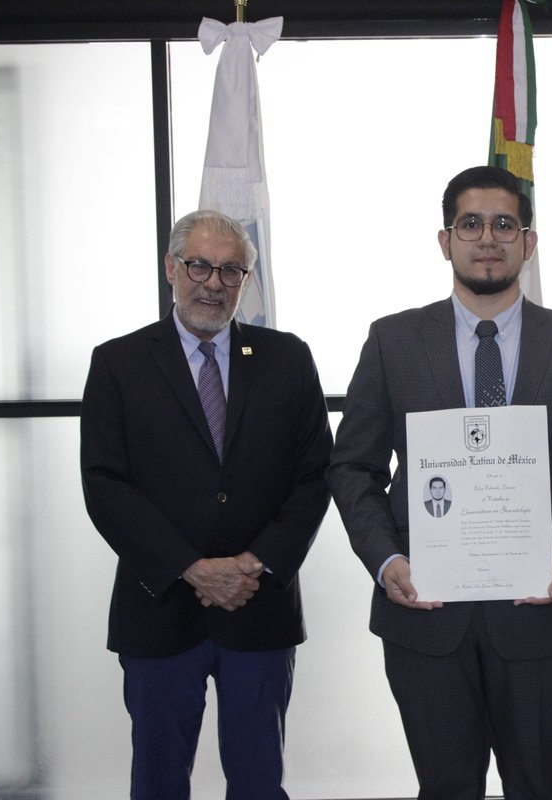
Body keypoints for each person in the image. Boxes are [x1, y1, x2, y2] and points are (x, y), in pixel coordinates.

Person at [327, 165, 552, 799]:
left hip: (539, 616)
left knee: (537, 785)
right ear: (445, 241)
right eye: (470, 224)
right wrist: (386, 558)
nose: (488, 238)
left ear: (529, 242)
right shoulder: (392, 342)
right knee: (446, 789)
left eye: (505, 224)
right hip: (424, 616)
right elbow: (353, 467)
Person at [80, 209, 333, 800]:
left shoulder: (287, 359)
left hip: (259, 605)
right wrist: (190, 568)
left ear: (246, 281)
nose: (213, 284)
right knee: (159, 781)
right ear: (171, 268)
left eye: (230, 271)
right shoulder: (118, 363)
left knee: (259, 782)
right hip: (160, 607)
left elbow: (317, 474)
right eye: (198, 266)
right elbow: (104, 484)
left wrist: (255, 564)